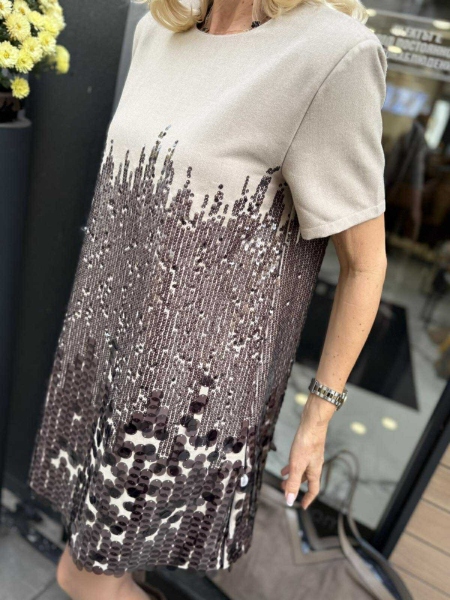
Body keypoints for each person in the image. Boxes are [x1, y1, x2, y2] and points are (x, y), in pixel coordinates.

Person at [27, 0, 388, 598]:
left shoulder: (332, 53)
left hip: (184, 406)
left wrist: (317, 417)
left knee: (82, 577)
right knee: (105, 568)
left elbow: (366, 263)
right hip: (103, 362)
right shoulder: (158, 32)